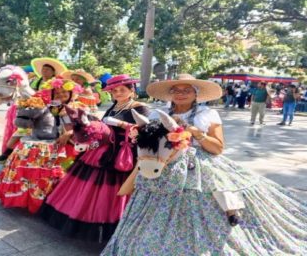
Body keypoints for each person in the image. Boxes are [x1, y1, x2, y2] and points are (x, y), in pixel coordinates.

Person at [102, 74, 307, 255]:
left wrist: (196, 133)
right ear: (170, 93)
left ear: (196, 93)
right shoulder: (156, 114)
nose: (181, 93)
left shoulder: (207, 115)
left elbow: (218, 148)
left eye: (187, 90)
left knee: (219, 191)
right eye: (176, 90)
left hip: (199, 163)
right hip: (163, 166)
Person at [40, 74, 150, 243]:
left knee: (114, 191)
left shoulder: (140, 107)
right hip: (101, 150)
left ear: (131, 90)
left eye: (122, 90)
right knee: (85, 188)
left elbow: (145, 130)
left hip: (122, 154)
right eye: (115, 90)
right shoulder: (114, 106)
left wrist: (120, 125)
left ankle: (113, 226)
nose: (118, 93)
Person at [0, 77, 84, 213]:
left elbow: (77, 126)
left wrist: (69, 133)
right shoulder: (48, 106)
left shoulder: (77, 107)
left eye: (64, 92)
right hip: (47, 139)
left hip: (70, 142)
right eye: (57, 93)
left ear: (71, 93)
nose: (61, 95)